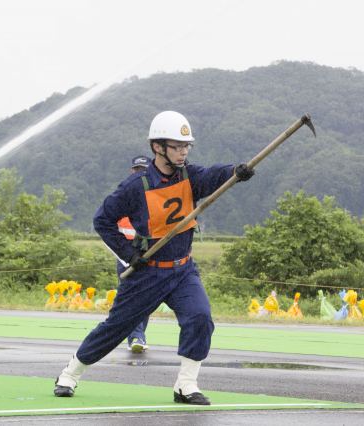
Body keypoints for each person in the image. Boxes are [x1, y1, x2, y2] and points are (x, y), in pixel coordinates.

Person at [54, 111, 254, 405]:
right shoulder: (135, 186)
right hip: (147, 272)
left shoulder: (190, 176)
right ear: (158, 147)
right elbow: (102, 220)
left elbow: (214, 175)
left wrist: (236, 172)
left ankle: (186, 385)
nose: (184, 151)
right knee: (116, 328)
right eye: (177, 146)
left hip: (183, 270)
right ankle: (70, 373)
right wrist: (127, 253)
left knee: (200, 318)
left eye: (187, 146)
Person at [118, 155, 152, 354]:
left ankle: (138, 335)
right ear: (132, 171)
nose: (139, 174)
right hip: (127, 256)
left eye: (143, 171)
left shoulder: (155, 196)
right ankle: (136, 337)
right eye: (136, 170)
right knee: (133, 297)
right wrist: (126, 253)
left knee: (147, 298)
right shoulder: (124, 195)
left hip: (149, 256)